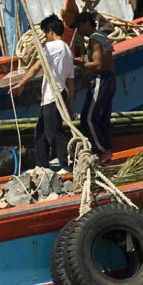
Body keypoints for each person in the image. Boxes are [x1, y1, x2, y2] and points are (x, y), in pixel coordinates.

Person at [30, 16, 75, 169]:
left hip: (52, 96)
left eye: (46, 33)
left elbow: (36, 67)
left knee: (53, 133)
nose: (46, 38)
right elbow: (71, 82)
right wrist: (69, 103)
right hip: (56, 95)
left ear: (50, 31)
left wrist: (21, 84)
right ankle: (42, 167)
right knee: (41, 134)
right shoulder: (68, 50)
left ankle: (66, 164)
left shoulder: (52, 47)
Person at [72, 12, 115, 157]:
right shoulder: (103, 37)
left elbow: (97, 65)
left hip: (101, 79)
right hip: (110, 79)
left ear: (86, 23)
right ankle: (108, 150)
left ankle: (100, 151)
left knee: (88, 118)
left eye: (79, 26)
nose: (78, 30)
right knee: (103, 118)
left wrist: (77, 63)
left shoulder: (94, 40)